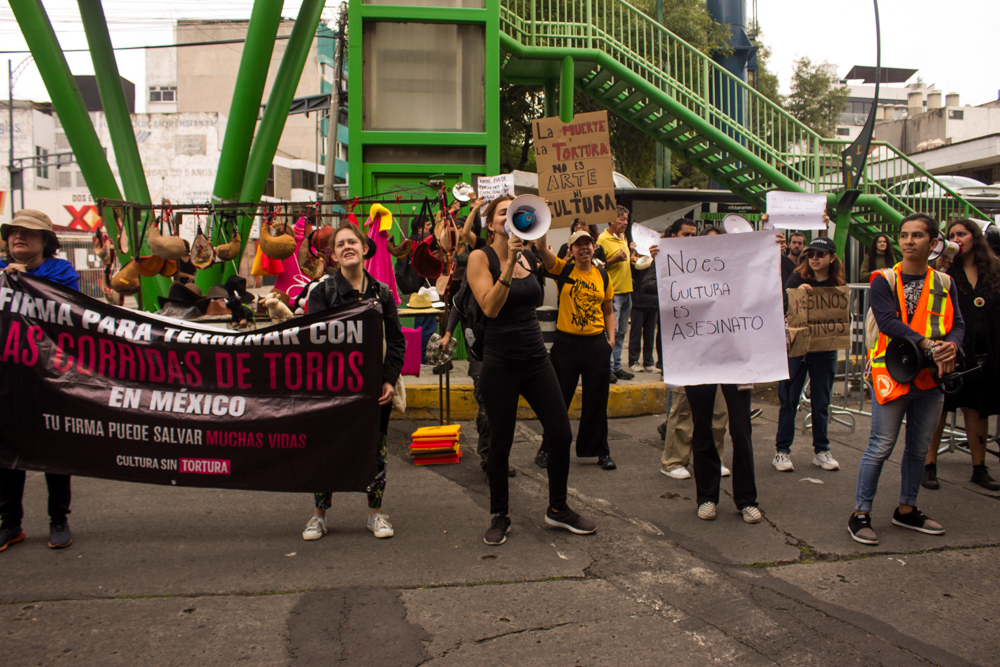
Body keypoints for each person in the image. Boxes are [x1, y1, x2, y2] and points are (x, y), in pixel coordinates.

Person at [467, 196, 596, 546]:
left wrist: (537, 241)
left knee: (560, 434)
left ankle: (557, 509)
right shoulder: (481, 258)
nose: (512, 218)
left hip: (536, 358)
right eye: (504, 213)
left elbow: (550, 277)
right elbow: (490, 308)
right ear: (492, 222)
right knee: (500, 443)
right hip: (500, 362)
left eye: (517, 212)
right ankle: (500, 514)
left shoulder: (529, 255)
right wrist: (508, 265)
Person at [849, 213, 965, 546]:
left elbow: (957, 323)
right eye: (903, 235)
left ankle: (907, 509)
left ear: (933, 243)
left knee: (917, 450)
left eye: (916, 235)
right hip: (893, 374)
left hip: (931, 376)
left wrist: (952, 346)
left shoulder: (944, 282)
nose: (908, 241)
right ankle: (860, 513)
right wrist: (930, 344)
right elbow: (887, 321)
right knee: (880, 446)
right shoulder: (883, 278)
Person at [647, 224, 763, 524]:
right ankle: (707, 497)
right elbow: (651, 290)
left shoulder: (740, 273)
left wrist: (770, 248)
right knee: (701, 428)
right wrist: (661, 262)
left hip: (736, 361)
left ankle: (746, 499)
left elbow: (768, 292)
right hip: (699, 359)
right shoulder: (684, 270)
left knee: (740, 429)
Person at [303, 224, 405, 542]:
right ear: (333, 255)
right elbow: (311, 342)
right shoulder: (321, 294)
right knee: (326, 450)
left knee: (376, 450)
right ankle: (319, 515)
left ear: (364, 248)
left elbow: (397, 342)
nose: (347, 247)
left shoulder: (383, 293)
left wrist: (388, 380)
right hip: (332, 389)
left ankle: (375, 514)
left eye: (353, 242)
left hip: (374, 390)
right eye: (340, 244)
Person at [0, 210, 80, 551]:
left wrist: (23, 281)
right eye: (14, 232)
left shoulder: (61, 273)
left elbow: (69, 312)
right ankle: (11, 524)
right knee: (6, 451)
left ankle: (58, 518)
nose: (19, 237)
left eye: (29, 233)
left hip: (49, 376)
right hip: (6, 377)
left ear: (46, 242)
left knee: (54, 449)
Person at [645, 219, 729, 481]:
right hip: (685, 346)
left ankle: (714, 458)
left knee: (718, 409)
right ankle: (673, 461)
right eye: (686, 234)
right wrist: (661, 266)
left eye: (695, 235)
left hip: (716, 346)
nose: (691, 238)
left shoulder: (721, 263)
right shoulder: (668, 257)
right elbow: (647, 287)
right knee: (683, 405)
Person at [923, 219, 1000, 491]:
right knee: (939, 409)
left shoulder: (993, 269)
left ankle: (979, 468)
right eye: (953, 234)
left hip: (983, 350)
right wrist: (937, 267)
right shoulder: (945, 272)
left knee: (978, 410)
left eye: (962, 234)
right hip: (949, 350)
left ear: (974, 238)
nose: (957, 238)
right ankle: (928, 465)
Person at [534, 229, 617, 471]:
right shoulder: (563, 270)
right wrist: (543, 221)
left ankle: (600, 451)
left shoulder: (602, 275)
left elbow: (609, 310)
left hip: (596, 346)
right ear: (570, 250)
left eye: (587, 244)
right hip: (566, 346)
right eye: (578, 244)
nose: (584, 248)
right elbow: (541, 250)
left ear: (594, 248)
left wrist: (610, 341)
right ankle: (547, 448)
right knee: (558, 401)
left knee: (597, 401)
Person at [773, 229, 843, 473]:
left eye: (820, 254)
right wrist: (797, 296)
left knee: (821, 401)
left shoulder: (837, 283)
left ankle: (821, 449)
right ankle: (782, 451)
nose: (814, 259)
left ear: (831, 258)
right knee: (789, 398)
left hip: (825, 349)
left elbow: (842, 315)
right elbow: (781, 307)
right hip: (797, 347)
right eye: (811, 254)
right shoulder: (796, 277)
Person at [597, 206, 634, 383]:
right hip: (613, 292)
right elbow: (598, 264)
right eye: (622, 219)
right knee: (611, 331)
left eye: (626, 219)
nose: (625, 223)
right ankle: (607, 367)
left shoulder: (623, 238)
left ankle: (617, 366)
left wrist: (631, 259)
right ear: (612, 220)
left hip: (627, 291)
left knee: (621, 332)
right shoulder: (602, 239)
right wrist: (614, 260)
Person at [628, 251, 658, 373]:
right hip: (638, 302)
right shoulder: (637, 261)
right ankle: (633, 361)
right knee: (636, 334)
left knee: (650, 335)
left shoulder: (655, 261)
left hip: (653, 302)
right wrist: (632, 260)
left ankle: (649, 362)